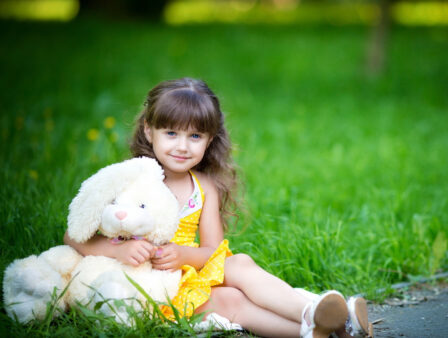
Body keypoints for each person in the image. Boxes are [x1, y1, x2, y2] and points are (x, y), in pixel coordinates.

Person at [63, 77, 370, 338]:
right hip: (149, 290)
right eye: (171, 133)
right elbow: (73, 236)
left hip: (187, 274)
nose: (182, 146)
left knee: (239, 264)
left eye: (194, 136)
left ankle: (313, 314)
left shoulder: (203, 187)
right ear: (148, 131)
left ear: (209, 140)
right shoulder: (127, 179)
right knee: (231, 300)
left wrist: (184, 254)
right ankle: (326, 325)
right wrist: (118, 250)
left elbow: (212, 252)